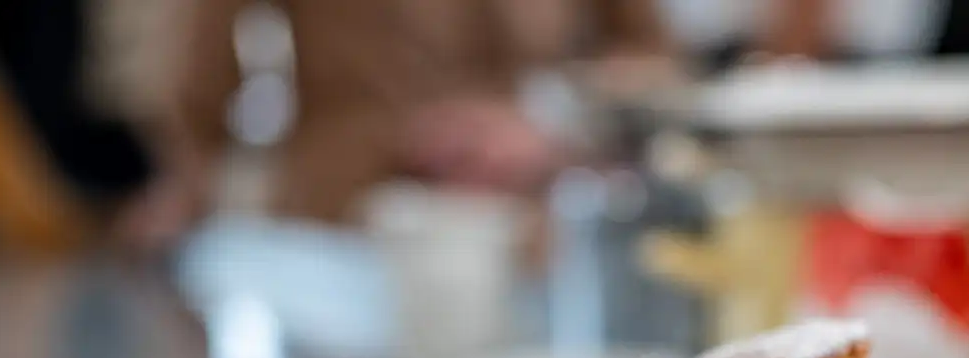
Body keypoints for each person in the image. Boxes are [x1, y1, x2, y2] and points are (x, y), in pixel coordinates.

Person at [149, 0, 671, 231]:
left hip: (536, 223)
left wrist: (551, 118)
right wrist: (186, 181)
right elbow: (199, 73)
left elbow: (653, 56)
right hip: (349, 223)